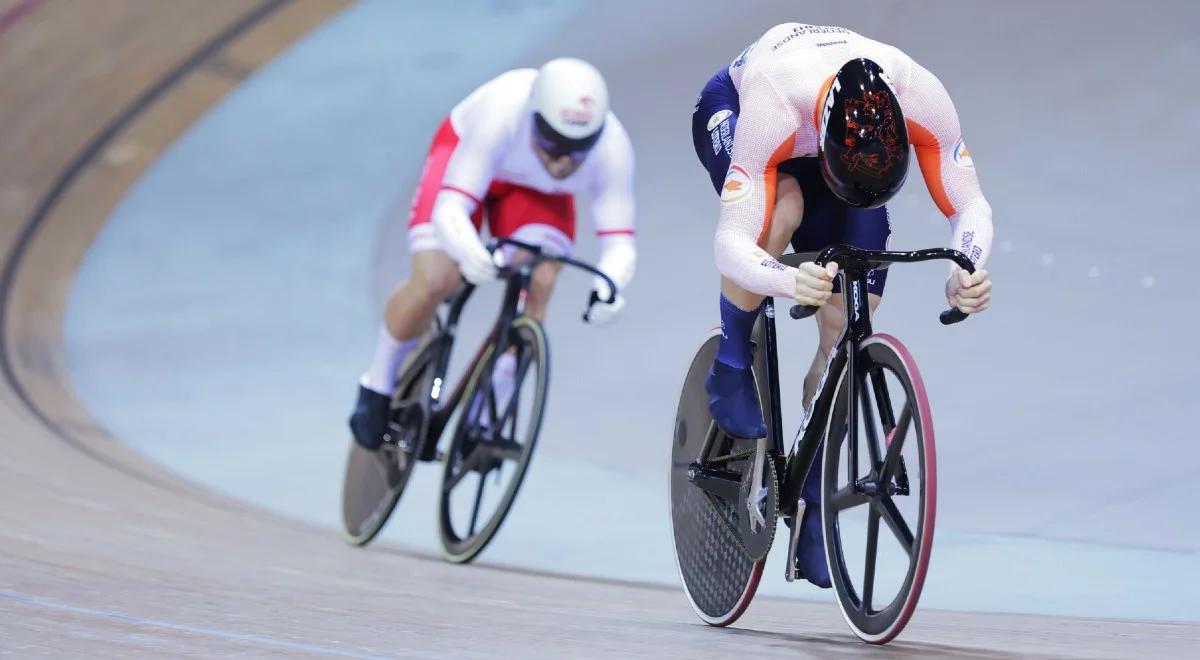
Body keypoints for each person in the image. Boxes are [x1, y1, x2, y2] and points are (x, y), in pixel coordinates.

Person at [691, 24, 994, 587]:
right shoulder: (773, 106)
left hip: (844, 158)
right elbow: (729, 245)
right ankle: (731, 366)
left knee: (847, 325)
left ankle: (812, 504)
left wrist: (966, 266)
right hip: (741, 110)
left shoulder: (920, 94)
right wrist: (784, 280)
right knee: (782, 207)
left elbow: (970, 205)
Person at [350, 57, 636, 450]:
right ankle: (377, 384)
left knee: (541, 279)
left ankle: (486, 414)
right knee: (438, 277)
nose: (562, 161)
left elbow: (619, 242)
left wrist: (611, 287)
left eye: (577, 149)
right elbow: (451, 207)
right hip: (466, 160)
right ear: (533, 116)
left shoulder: (613, 148)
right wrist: (469, 252)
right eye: (552, 142)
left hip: (534, 195)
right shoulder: (502, 112)